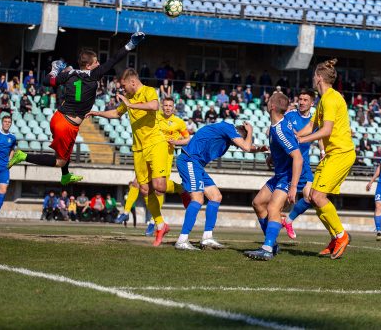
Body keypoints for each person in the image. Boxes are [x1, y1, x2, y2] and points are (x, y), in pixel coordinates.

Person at [8, 32, 146, 185]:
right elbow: (114, 60)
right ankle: (22, 156)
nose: (99, 64)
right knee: (60, 161)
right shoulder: (93, 75)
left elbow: (47, 81)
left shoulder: (69, 73)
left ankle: (65, 175)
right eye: (96, 62)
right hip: (67, 124)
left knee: (65, 154)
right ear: (88, 66)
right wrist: (131, 44)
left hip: (59, 118)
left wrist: (55, 70)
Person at [87, 67, 171, 247]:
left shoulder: (148, 91)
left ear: (133, 82)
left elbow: (154, 106)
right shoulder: (129, 98)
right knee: (145, 189)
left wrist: (130, 104)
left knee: (159, 186)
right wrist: (97, 113)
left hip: (156, 143)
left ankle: (182, 189)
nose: (123, 90)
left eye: (124, 86)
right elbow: (117, 113)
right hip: (138, 148)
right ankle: (161, 224)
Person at [170, 120, 265, 251]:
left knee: (216, 196)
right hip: (189, 161)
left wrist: (260, 149)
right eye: (239, 140)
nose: (236, 147)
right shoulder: (228, 128)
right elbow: (246, 147)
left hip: (196, 164)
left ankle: (207, 237)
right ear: (238, 134)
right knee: (197, 198)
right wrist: (251, 131)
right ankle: (182, 240)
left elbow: (248, 147)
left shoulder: (226, 135)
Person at [296, 58, 355, 259]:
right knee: (313, 197)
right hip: (332, 154)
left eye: (314, 76)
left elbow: (326, 130)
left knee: (319, 197)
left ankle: (342, 235)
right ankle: (334, 238)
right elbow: (309, 127)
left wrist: (302, 139)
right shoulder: (323, 101)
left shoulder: (331, 99)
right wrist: (290, 135)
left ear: (319, 78)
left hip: (342, 153)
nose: (313, 79)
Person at [115, 97, 192, 233]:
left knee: (159, 189)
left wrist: (176, 142)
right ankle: (126, 212)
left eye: (170, 105)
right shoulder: (155, 117)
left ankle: (153, 221)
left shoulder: (179, 123)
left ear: (173, 108)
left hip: (165, 158)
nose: (168, 107)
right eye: (166, 105)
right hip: (149, 153)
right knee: (137, 183)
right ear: (162, 106)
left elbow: (188, 139)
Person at [246, 92, 303, 260]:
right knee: (257, 203)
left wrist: (293, 187)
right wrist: (273, 157)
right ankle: (271, 244)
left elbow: (298, 158)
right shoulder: (275, 126)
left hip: (287, 177)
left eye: (269, 100)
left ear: (271, 107)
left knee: (273, 208)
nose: (266, 101)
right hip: (280, 174)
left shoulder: (280, 130)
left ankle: (268, 248)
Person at [281, 89, 323, 240]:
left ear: (312, 103)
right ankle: (272, 227)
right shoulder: (289, 116)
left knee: (310, 197)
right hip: (288, 163)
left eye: (306, 100)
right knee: (282, 201)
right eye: (300, 99)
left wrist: (322, 151)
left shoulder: (315, 120)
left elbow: (319, 136)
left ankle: (289, 221)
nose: (302, 102)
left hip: (304, 164)